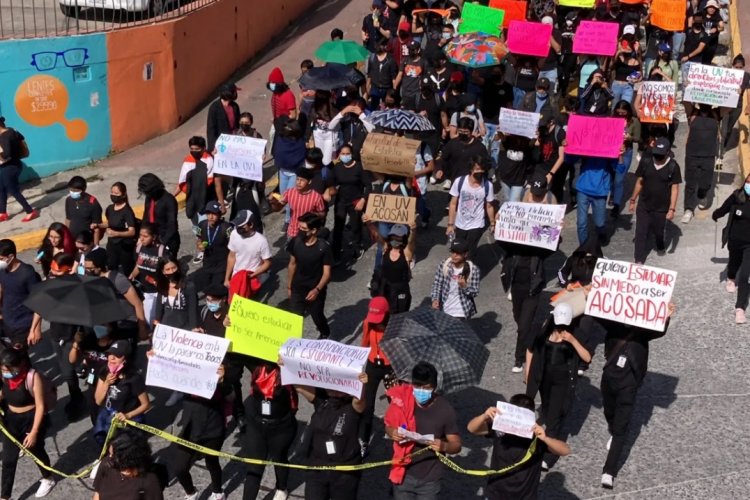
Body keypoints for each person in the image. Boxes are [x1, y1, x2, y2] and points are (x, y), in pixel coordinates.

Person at [599, 303, 675, 489]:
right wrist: (590, 295)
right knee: (610, 412)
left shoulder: (643, 330)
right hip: (609, 378)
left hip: (629, 383)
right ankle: (613, 427)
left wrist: (665, 316)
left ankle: (609, 471)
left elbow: (659, 330)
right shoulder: (613, 324)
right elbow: (597, 314)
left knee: (621, 427)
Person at [466, 394, 571, 500]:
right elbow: (472, 428)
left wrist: (545, 439)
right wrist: (484, 416)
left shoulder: (536, 437)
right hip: (496, 493)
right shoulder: (500, 428)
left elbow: (565, 450)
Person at [524, 303, 591, 469]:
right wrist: (528, 372)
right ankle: (549, 433)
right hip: (544, 378)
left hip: (563, 382)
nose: (561, 327)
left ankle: (549, 455)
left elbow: (587, 357)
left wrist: (573, 340)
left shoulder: (575, 333)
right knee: (547, 407)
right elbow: (531, 349)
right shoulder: (545, 330)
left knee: (555, 416)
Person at [384, 361, 461, 499]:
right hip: (403, 473)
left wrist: (443, 445)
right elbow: (389, 426)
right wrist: (392, 432)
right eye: (417, 386)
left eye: (426, 388)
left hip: (430, 480)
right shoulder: (402, 401)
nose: (421, 391)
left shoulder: (445, 410)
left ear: (435, 387)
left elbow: (456, 445)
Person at [291, 373, 368, 500]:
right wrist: (287, 365)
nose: (334, 389)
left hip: (344, 472)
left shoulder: (353, 407)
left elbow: (359, 400)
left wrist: (362, 384)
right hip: (317, 468)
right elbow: (298, 386)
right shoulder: (321, 401)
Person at [169, 356, 230, 500]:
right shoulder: (188, 374)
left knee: (212, 462)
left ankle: (217, 492)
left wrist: (222, 381)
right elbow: (170, 369)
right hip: (190, 427)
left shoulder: (220, 377)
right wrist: (156, 358)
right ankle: (191, 493)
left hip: (212, 429)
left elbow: (231, 397)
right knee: (179, 467)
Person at [0, 348, 57, 499]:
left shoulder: (32, 377)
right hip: (11, 418)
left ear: (18, 365)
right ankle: (5, 496)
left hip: (30, 418)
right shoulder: (4, 375)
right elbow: (3, 392)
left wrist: (34, 432)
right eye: (3, 369)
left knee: (36, 451)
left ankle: (48, 478)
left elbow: (40, 406)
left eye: (8, 369)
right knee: (8, 459)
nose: (5, 372)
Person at [242, 360, 299, 500]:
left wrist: (288, 367)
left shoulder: (288, 370)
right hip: (256, 425)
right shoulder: (256, 367)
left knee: (279, 458)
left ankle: (282, 488)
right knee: (254, 467)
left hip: (281, 427)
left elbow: (298, 398)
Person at [92, 340, 150, 475]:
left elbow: (146, 404)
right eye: (110, 354)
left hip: (128, 418)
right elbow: (98, 400)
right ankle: (105, 460)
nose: (111, 358)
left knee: (125, 448)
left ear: (125, 360)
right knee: (103, 439)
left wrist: (128, 415)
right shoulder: (104, 371)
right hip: (108, 414)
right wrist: (106, 383)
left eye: (116, 356)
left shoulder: (134, 378)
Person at [629, 137, 681, 264]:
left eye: (661, 155)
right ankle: (639, 259)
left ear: (668, 152)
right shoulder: (646, 161)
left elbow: (675, 188)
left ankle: (660, 244)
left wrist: (672, 209)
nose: (658, 157)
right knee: (640, 232)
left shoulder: (673, 167)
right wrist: (633, 199)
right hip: (644, 205)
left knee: (658, 231)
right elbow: (640, 182)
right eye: (656, 153)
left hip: (661, 208)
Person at [84, 249, 149, 341]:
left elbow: (137, 303)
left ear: (100, 266)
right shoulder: (92, 279)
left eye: (91, 269)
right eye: (86, 268)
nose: (87, 271)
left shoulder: (117, 279)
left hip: (125, 323)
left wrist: (142, 329)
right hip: (109, 322)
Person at [286, 213, 333, 339]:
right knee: (294, 319)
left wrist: (317, 290)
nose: (300, 231)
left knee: (317, 316)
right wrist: (289, 286)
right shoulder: (295, 242)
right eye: (299, 228)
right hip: (298, 288)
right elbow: (292, 264)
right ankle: (294, 345)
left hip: (315, 290)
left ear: (314, 230)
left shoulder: (323, 248)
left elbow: (327, 274)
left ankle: (325, 333)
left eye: (304, 229)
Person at [358, 296, 395, 455]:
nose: (376, 323)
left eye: (379, 319)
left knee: (395, 403)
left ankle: (400, 436)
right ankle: (363, 440)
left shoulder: (394, 326)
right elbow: (364, 345)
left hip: (390, 368)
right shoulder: (368, 323)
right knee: (367, 404)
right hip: (372, 365)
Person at [68, 324, 126, 423]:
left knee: (111, 413)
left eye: (104, 325)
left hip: (111, 383)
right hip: (93, 382)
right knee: (94, 411)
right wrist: (76, 344)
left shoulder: (116, 345)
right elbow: (72, 360)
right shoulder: (89, 341)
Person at [712, 174, 750, 323]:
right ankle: (731, 277)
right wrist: (716, 214)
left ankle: (740, 308)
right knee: (734, 263)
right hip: (735, 240)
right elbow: (724, 208)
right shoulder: (737, 196)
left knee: (745, 275)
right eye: (748, 182)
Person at [93, 429, 166, 500]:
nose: (109, 457)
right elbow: (97, 493)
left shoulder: (149, 481)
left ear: (128, 460)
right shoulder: (106, 465)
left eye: (113, 455)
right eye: (110, 453)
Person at [446, 159, 495, 257]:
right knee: (459, 250)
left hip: (477, 224)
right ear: (471, 169)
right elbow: (453, 204)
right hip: (460, 224)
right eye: (477, 169)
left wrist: (493, 223)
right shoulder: (459, 182)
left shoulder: (487, 185)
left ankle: (469, 269)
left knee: (470, 251)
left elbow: (489, 206)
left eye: (482, 169)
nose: (480, 172)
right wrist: (450, 224)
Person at [329, 143, 368, 264]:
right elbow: (332, 184)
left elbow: (368, 186)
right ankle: (335, 253)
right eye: (343, 154)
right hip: (341, 201)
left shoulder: (359, 167)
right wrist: (330, 190)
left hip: (355, 201)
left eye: (347, 154)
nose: (345, 156)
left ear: (352, 154)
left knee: (355, 227)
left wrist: (363, 199)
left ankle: (357, 248)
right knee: (338, 227)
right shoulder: (337, 168)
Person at [681, 105, 720, 223]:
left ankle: (702, 195)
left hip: (708, 155)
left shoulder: (716, 114)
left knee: (706, 183)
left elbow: (729, 106)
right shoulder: (693, 112)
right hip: (692, 154)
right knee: (690, 183)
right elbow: (686, 101)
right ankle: (688, 209)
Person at [177, 136, 223, 236]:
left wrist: (221, 204)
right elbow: (183, 181)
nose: (194, 151)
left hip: (206, 202)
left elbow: (216, 184)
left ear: (203, 148)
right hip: (192, 203)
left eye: (197, 149)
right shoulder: (188, 161)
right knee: (197, 229)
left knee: (206, 229)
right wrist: (172, 196)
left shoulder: (210, 161)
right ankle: (201, 244)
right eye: (192, 149)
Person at [0, 239, 41, 350]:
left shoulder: (27, 273)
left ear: (11, 257)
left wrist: (35, 329)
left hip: (22, 325)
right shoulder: (2, 269)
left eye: (1, 259)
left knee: (16, 358)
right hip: (7, 320)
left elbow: (39, 301)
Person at [224, 209, 272, 300]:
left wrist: (252, 275)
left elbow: (267, 262)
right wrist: (227, 278)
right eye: (237, 226)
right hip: (236, 277)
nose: (239, 229)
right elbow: (231, 256)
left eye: (242, 226)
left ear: (251, 224)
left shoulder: (261, 241)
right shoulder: (234, 234)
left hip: (252, 279)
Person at [270, 167, 327, 241]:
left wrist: (312, 214)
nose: (298, 182)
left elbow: (322, 214)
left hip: (308, 233)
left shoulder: (316, 197)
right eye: (297, 179)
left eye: (302, 180)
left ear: (309, 182)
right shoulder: (290, 192)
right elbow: (278, 208)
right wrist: (273, 203)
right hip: (292, 231)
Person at [434, 117, 491, 189]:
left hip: (473, 184)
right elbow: (442, 158)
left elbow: (487, 164)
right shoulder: (452, 143)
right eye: (460, 131)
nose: (463, 134)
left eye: (466, 132)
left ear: (471, 131)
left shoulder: (479, 147)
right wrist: (439, 169)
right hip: (455, 182)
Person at [369, 224, 415, 313]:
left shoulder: (406, 254)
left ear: (404, 239)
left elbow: (411, 244)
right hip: (385, 289)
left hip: (400, 292)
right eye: (393, 237)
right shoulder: (386, 249)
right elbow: (377, 236)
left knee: (399, 317)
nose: (395, 240)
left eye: (398, 238)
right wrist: (369, 223)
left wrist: (414, 230)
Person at [430, 239, 481, 320]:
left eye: (458, 253)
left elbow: (474, 293)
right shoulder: (444, 265)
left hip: (461, 311)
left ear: (465, 254)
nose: (454, 255)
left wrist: (464, 287)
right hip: (445, 308)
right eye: (453, 252)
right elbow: (437, 284)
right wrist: (435, 299)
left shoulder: (473, 270)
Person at [272, 117, 308, 230]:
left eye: (289, 127)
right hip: (283, 172)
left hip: (294, 173)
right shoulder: (280, 138)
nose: (286, 129)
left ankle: (289, 220)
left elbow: (300, 156)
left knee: (291, 198)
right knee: (284, 197)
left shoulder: (300, 141)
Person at [129, 223, 167, 329]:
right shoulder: (139, 248)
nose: (142, 239)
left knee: (155, 320)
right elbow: (138, 265)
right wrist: (131, 276)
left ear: (154, 237)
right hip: (144, 291)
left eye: (145, 236)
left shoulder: (161, 251)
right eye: (140, 236)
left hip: (157, 292)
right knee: (147, 319)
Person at [0, 117, 38, 222]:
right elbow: (22, 137)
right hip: (14, 164)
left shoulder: (4, 137)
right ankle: (2, 212)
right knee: (1, 189)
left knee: (13, 190)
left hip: (9, 167)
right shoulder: (12, 130)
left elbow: (6, 154)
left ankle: (30, 211)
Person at [95, 182, 138, 276]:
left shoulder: (127, 211)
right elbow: (109, 223)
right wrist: (98, 225)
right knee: (111, 266)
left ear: (123, 195)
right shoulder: (110, 209)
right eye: (112, 193)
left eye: (116, 194)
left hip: (124, 246)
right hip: (112, 245)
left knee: (127, 269)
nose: (113, 195)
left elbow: (132, 231)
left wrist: (117, 233)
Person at [192, 200, 233, 293]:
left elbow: (233, 248)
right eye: (208, 213)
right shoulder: (201, 225)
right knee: (207, 285)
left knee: (218, 286)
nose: (211, 216)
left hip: (222, 262)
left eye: (214, 214)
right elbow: (198, 239)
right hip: (208, 261)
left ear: (219, 215)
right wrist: (199, 245)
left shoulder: (226, 228)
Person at [576, 155, 617, 246]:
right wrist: (568, 146)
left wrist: (620, 154)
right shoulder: (586, 144)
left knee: (600, 223)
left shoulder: (608, 149)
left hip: (600, 192)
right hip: (583, 189)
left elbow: (619, 168)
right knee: (581, 223)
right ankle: (584, 248)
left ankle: (601, 232)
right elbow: (570, 160)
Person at [138, 173, 180, 258]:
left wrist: (161, 242)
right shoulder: (149, 198)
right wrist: (142, 236)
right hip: (152, 237)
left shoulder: (169, 200)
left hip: (167, 239)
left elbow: (172, 226)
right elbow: (146, 218)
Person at [611, 101, 641, 217]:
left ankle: (616, 205)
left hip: (625, 153)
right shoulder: (612, 119)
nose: (621, 115)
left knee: (619, 180)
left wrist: (630, 137)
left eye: (623, 113)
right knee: (610, 177)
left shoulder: (634, 122)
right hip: (611, 152)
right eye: (619, 113)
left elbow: (638, 138)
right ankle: (612, 193)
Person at [65, 175, 103, 244]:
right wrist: (66, 237)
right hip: (73, 240)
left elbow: (97, 228)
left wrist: (96, 247)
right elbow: (68, 219)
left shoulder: (93, 203)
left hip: (86, 243)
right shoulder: (68, 200)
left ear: (84, 189)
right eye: (71, 190)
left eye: (76, 191)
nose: (73, 192)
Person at [366, 38, 399, 110]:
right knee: (373, 108)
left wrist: (393, 92)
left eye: (379, 45)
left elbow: (393, 77)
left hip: (386, 88)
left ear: (384, 46)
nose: (377, 47)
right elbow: (369, 74)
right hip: (375, 87)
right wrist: (367, 87)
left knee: (387, 109)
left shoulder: (390, 60)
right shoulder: (372, 58)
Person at [207, 82, 241, 151]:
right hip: (221, 143)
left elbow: (238, 124)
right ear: (229, 93)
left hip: (233, 141)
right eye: (235, 92)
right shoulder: (214, 108)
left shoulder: (235, 106)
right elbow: (211, 129)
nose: (236, 94)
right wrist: (213, 147)